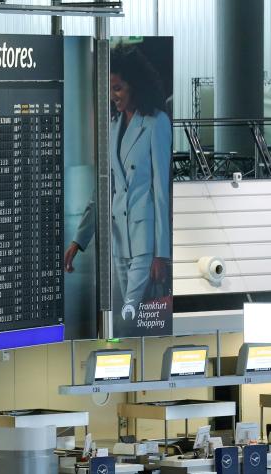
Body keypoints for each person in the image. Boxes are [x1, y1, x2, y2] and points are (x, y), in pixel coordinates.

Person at [65, 45, 172, 321]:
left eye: (118, 88)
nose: (113, 96)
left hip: (145, 241)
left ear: (135, 86)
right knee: (130, 320)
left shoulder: (157, 123)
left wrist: (162, 253)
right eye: (110, 89)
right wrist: (79, 240)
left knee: (130, 312)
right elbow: (103, 189)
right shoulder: (112, 127)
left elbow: (161, 191)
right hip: (118, 241)